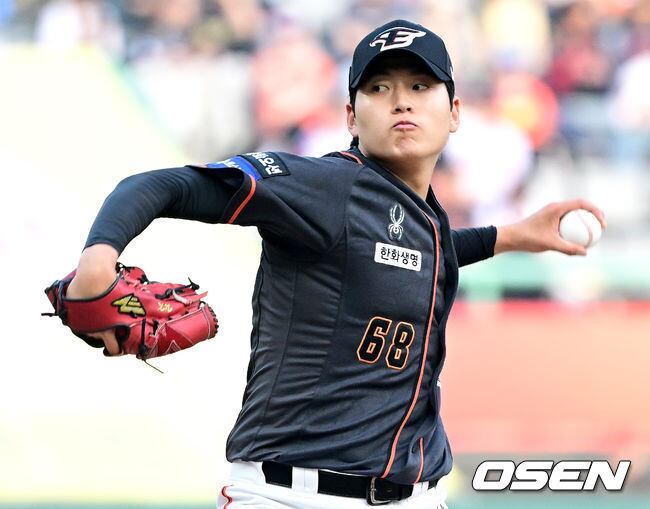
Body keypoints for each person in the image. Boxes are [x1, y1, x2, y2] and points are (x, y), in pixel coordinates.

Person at [63, 19, 605, 508]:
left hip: (416, 496)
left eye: (420, 86)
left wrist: (509, 237)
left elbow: (415, 251)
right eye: (379, 88)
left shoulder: (419, 216)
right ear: (351, 116)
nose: (401, 101)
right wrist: (99, 259)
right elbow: (161, 184)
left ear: (455, 112)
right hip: (291, 495)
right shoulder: (326, 186)